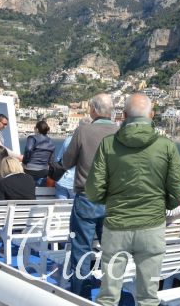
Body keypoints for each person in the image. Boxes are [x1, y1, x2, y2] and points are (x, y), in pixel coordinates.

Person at [86, 93, 180, 306]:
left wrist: (112, 200)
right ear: (152, 115)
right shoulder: (166, 146)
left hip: (116, 227)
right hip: (151, 228)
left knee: (108, 296)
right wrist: (162, 205)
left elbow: (93, 191)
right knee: (148, 297)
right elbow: (178, 193)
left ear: (123, 115)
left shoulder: (108, 145)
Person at [62, 93, 119, 299]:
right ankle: (111, 296)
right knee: (112, 251)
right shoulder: (121, 133)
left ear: (93, 110)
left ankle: (81, 297)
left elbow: (67, 162)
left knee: (81, 249)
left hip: (87, 198)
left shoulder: (83, 130)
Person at [23, 120, 56, 186]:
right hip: (44, 171)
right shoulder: (51, 142)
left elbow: (28, 150)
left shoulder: (32, 138)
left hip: (30, 169)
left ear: (37, 129)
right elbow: (51, 161)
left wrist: (25, 162)